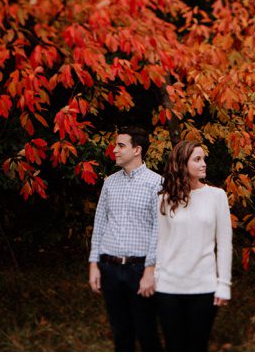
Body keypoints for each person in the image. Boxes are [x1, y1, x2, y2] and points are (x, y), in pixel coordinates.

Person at [88, 127, 164, 352]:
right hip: (109, 268)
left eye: (121, 145)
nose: (115, 150)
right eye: (116, 145)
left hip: (139, 269)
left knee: (147, 333)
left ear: (137, 150)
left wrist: (150, 271)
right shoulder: (110, 182)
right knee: (121, 333)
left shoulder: (157, 183)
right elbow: (100, 223)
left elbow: (159, 231)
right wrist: (94, 264)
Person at [154, 140, 233, 352]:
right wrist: (156, 278)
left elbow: (224, 242)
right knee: (174, 348)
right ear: (182, 164)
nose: (203, 164)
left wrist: (224, 283)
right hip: (168, 287)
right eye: (197, 159)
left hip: (203, 287)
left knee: (197, 347)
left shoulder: (217, 196)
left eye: (203, 159)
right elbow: (161, 243)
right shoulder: (165, 199)